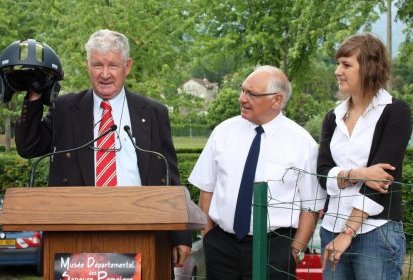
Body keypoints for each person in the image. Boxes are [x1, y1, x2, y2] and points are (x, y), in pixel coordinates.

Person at [13, 29, 191, 270]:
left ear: (127, 66)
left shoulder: (153, 112)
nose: (105, 74)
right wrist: (34, 94)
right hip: (76, 232)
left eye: (113, 66)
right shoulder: (65, 109)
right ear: (87, 65)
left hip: (143, 229)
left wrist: (180, 235)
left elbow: (169, 174)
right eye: (97, 65)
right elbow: (29, 147)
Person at [189, 65, 326, 279]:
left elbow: (312, 205)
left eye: (252, 94)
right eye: (243, 90)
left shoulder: (302, 143)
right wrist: (208, 237)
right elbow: (207, 190)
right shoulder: (223, 132)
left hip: (275, 248)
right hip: (222, 247)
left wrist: (295, 250)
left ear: (276, 100)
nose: (242, 99)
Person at [317, 33, 412, 280]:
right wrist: (358, 174)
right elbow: (322, 174)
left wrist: (347, 233)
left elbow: (381, 180)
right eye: (338, 63)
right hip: (330, 229)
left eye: (347, 64)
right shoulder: (333, 117)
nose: (338, 71)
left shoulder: (395, 112)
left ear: (369, 68)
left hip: (375, 233)